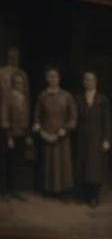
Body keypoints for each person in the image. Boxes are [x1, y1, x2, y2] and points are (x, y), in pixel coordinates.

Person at [33, 68, 77, 198]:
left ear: (59, 78)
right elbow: (36, 115)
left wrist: (65, 129)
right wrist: (41, 131)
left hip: (62, 134)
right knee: (49, 162)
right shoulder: (42, 95)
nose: (52, 79)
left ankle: (63, 191)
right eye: (50, 77)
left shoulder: (66, 95)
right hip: (47, 133)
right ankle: (49, 190)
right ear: (46, 79)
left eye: (55, 77)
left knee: (62, 162)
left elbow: (73, 116)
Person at [75, 71, 111, 208]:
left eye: (91, 80)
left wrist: (106, 139)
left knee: (94, 168)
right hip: (82, 137)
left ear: (96, 82)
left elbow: (107, 120)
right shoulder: (79, 98)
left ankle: (94, 197)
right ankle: (84, 195)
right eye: (86, 80)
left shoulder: (102, 99)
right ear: (84, 82)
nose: (88, 82)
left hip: (97, 137)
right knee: (83, 166)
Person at [0, 72, 31, 201]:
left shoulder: (23, 97)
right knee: (6, 162)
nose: (20, 85)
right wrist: (9, 136)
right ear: (13, 84)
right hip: (10, 135)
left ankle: (14, 190)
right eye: (17, 82)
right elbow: (4, 116)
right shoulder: (7, 97)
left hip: (21, 134)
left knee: (17, 163)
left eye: (21, 82)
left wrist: (27, 134)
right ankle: (4, 191)